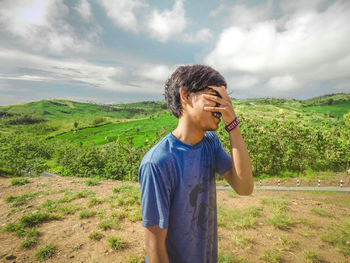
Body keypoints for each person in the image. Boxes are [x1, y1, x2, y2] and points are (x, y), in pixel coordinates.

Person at [138, 65, 253, 263]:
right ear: (185, 95)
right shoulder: (158, 163)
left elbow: (244, 187)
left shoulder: (210, 142)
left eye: (225, 99)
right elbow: (154, 246)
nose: (222, 106)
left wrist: (233, 126)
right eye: (214, 96)